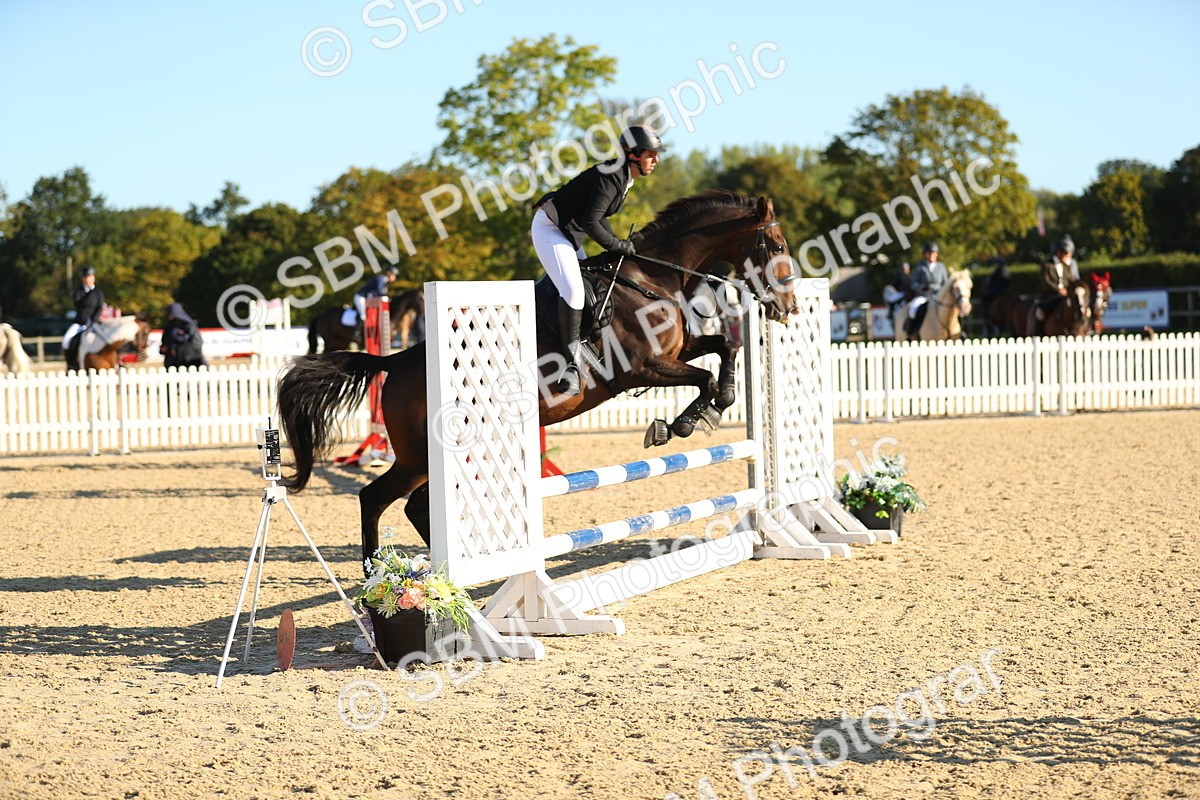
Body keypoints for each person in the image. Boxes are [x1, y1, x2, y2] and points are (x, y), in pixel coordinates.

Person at [531, 125, 667, 396]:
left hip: (568, 235)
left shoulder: (622, 177)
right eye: (651, 154)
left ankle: (584, 343)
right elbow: (590, 221)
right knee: (574, 291)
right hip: (550, 229)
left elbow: (598, 215)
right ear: (632, 153)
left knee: (592, 286)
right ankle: (571, 363)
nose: (656, 160)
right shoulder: (612, 176)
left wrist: (617, 243)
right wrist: (617, 245)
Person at [1026, 236, 1080, 335]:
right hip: (1050, 296)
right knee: (1040, 313)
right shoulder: (1047, 266)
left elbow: (1071, 279)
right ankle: (1038, 333)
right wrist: (1058, 290)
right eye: (1066, 253)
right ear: (1059, 253)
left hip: (1064, 296)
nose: (1069, 256)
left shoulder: (1067, 266)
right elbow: (1046, 281)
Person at [62, 265, 105, 369]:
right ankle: (71, 364)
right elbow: (78, 304)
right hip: (80, 322)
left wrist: (94, 320)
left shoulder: (98, 292)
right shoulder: (78, 291)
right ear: (83, 279)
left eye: (91, 276)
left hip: (95, 322)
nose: (89, 279)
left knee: (109, 338)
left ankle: (118, 362)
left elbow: (100, 307)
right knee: (66, 341)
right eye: (87, 277)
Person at [905, 242, 949, 337]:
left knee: (953, 308)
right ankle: (911, 332)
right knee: (913, 309)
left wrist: (936, 287)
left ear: (936, 254)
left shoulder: (941, 267)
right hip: (923, 296)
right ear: (925, 254)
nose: (931, 255)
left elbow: (945, 284)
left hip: (938, 296)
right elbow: (913, 283)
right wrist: (922, 287)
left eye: (933, 253)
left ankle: (957, 331)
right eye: (929, 253)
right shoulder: (920, 267)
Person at [160, 302, 206, 368]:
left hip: (190, 358)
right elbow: (165, 341)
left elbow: (194, 342)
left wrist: (175, 346)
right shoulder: (169, 327)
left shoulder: (189, 325)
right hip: (172, 360)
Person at [980, 258, 1011, 337]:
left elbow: (989, 283)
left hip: (996, 292)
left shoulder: (996, 273)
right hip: (1004, 291)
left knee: (985, 299)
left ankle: (986, 313)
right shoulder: (1005, 272)